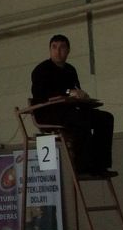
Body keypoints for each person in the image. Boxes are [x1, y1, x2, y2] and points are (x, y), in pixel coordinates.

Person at [30, 33, 115, 178]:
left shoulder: (70, 70)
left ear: (68, 51)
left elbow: (75, 91)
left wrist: (83, 97)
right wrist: (69, 92)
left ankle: (101, 165)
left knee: (105, 118)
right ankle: (83, 168)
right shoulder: (41, 70)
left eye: (62, 47)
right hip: (49, 113)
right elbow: (42, 94)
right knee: (81, 120)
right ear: (50, 50)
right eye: (54, 47)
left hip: (70, 111)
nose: (58, 51)